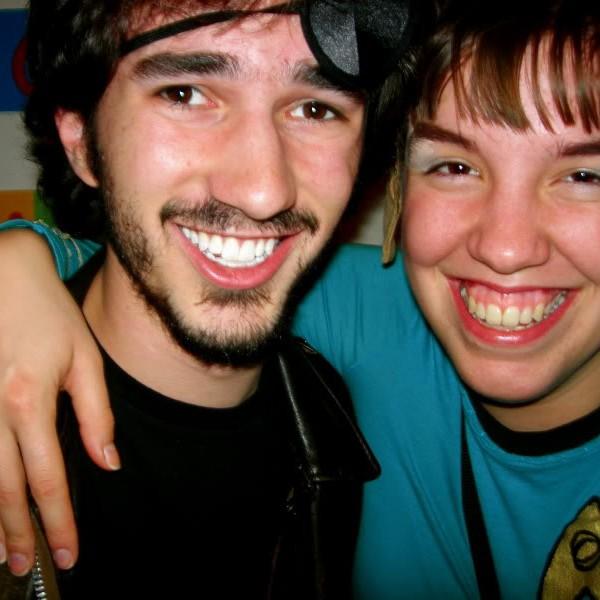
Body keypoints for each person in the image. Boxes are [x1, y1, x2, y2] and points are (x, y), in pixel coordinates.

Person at [2, 0, 599, 597]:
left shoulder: (341, 392)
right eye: (185, 94)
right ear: (81, 139)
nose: (263, 192)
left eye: (315, 109)